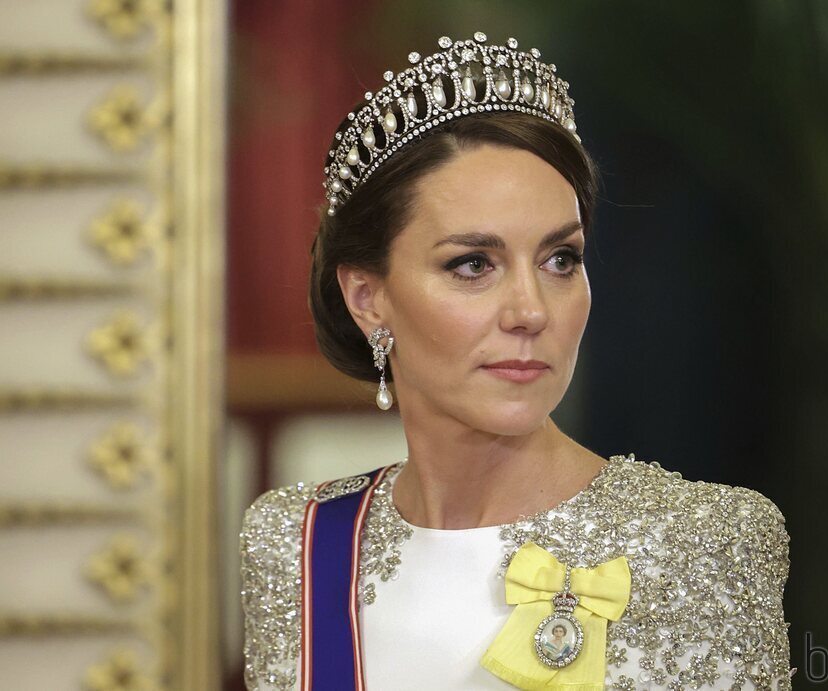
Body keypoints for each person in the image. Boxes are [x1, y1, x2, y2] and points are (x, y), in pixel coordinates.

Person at [241, 31, 794, 691]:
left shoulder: (707, 545)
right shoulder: (296, 543)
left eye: (561, 259)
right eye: (473, 264)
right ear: (368, 297)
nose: (531, 310)